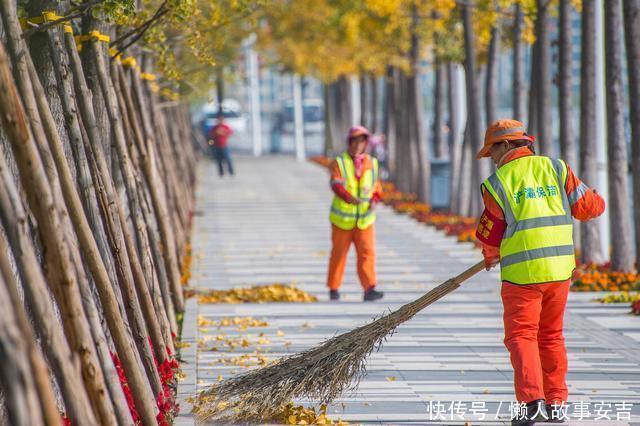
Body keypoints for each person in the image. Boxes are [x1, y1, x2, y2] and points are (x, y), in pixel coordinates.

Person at [475, 119, 605, 425]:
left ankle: (532, 402)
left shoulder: (499, 182)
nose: (491, 157)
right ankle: (556, 403)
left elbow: (490, 233)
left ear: (506, 145)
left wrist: (490, 255)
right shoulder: (557, 169)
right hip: (559, 271)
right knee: (550, 336)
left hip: (522, 275)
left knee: (522, 336)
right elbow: (589, 207)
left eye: (492, 149)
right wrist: (595, 196)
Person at [326, 126, 384, 302]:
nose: (359, 145)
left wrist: (374, 199)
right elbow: (335, 184)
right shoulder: (340, 162)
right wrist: (349, 198)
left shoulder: (372, 163)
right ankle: (334, 288)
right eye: (356, 141)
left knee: (367, 253)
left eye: (362, 141)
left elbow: (377, 187)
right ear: (350, 142)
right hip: (343, 219)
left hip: (365, 219)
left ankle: (369, 288)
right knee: (339, 254)